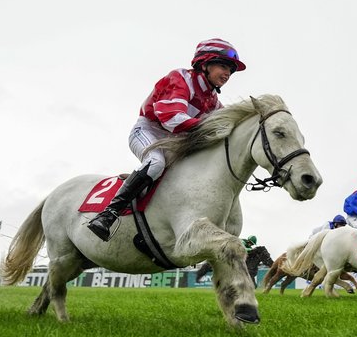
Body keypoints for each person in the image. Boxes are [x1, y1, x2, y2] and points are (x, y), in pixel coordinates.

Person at [87, 38, 246, 241]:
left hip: (174, 141)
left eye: (231, 71)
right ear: (204, 64)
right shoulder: (179, 78)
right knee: (155, 162)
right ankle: (107, 215)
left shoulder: (213, 101)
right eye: (223, 66)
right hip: (149, 131)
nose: (227, 74)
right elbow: (173, 119)